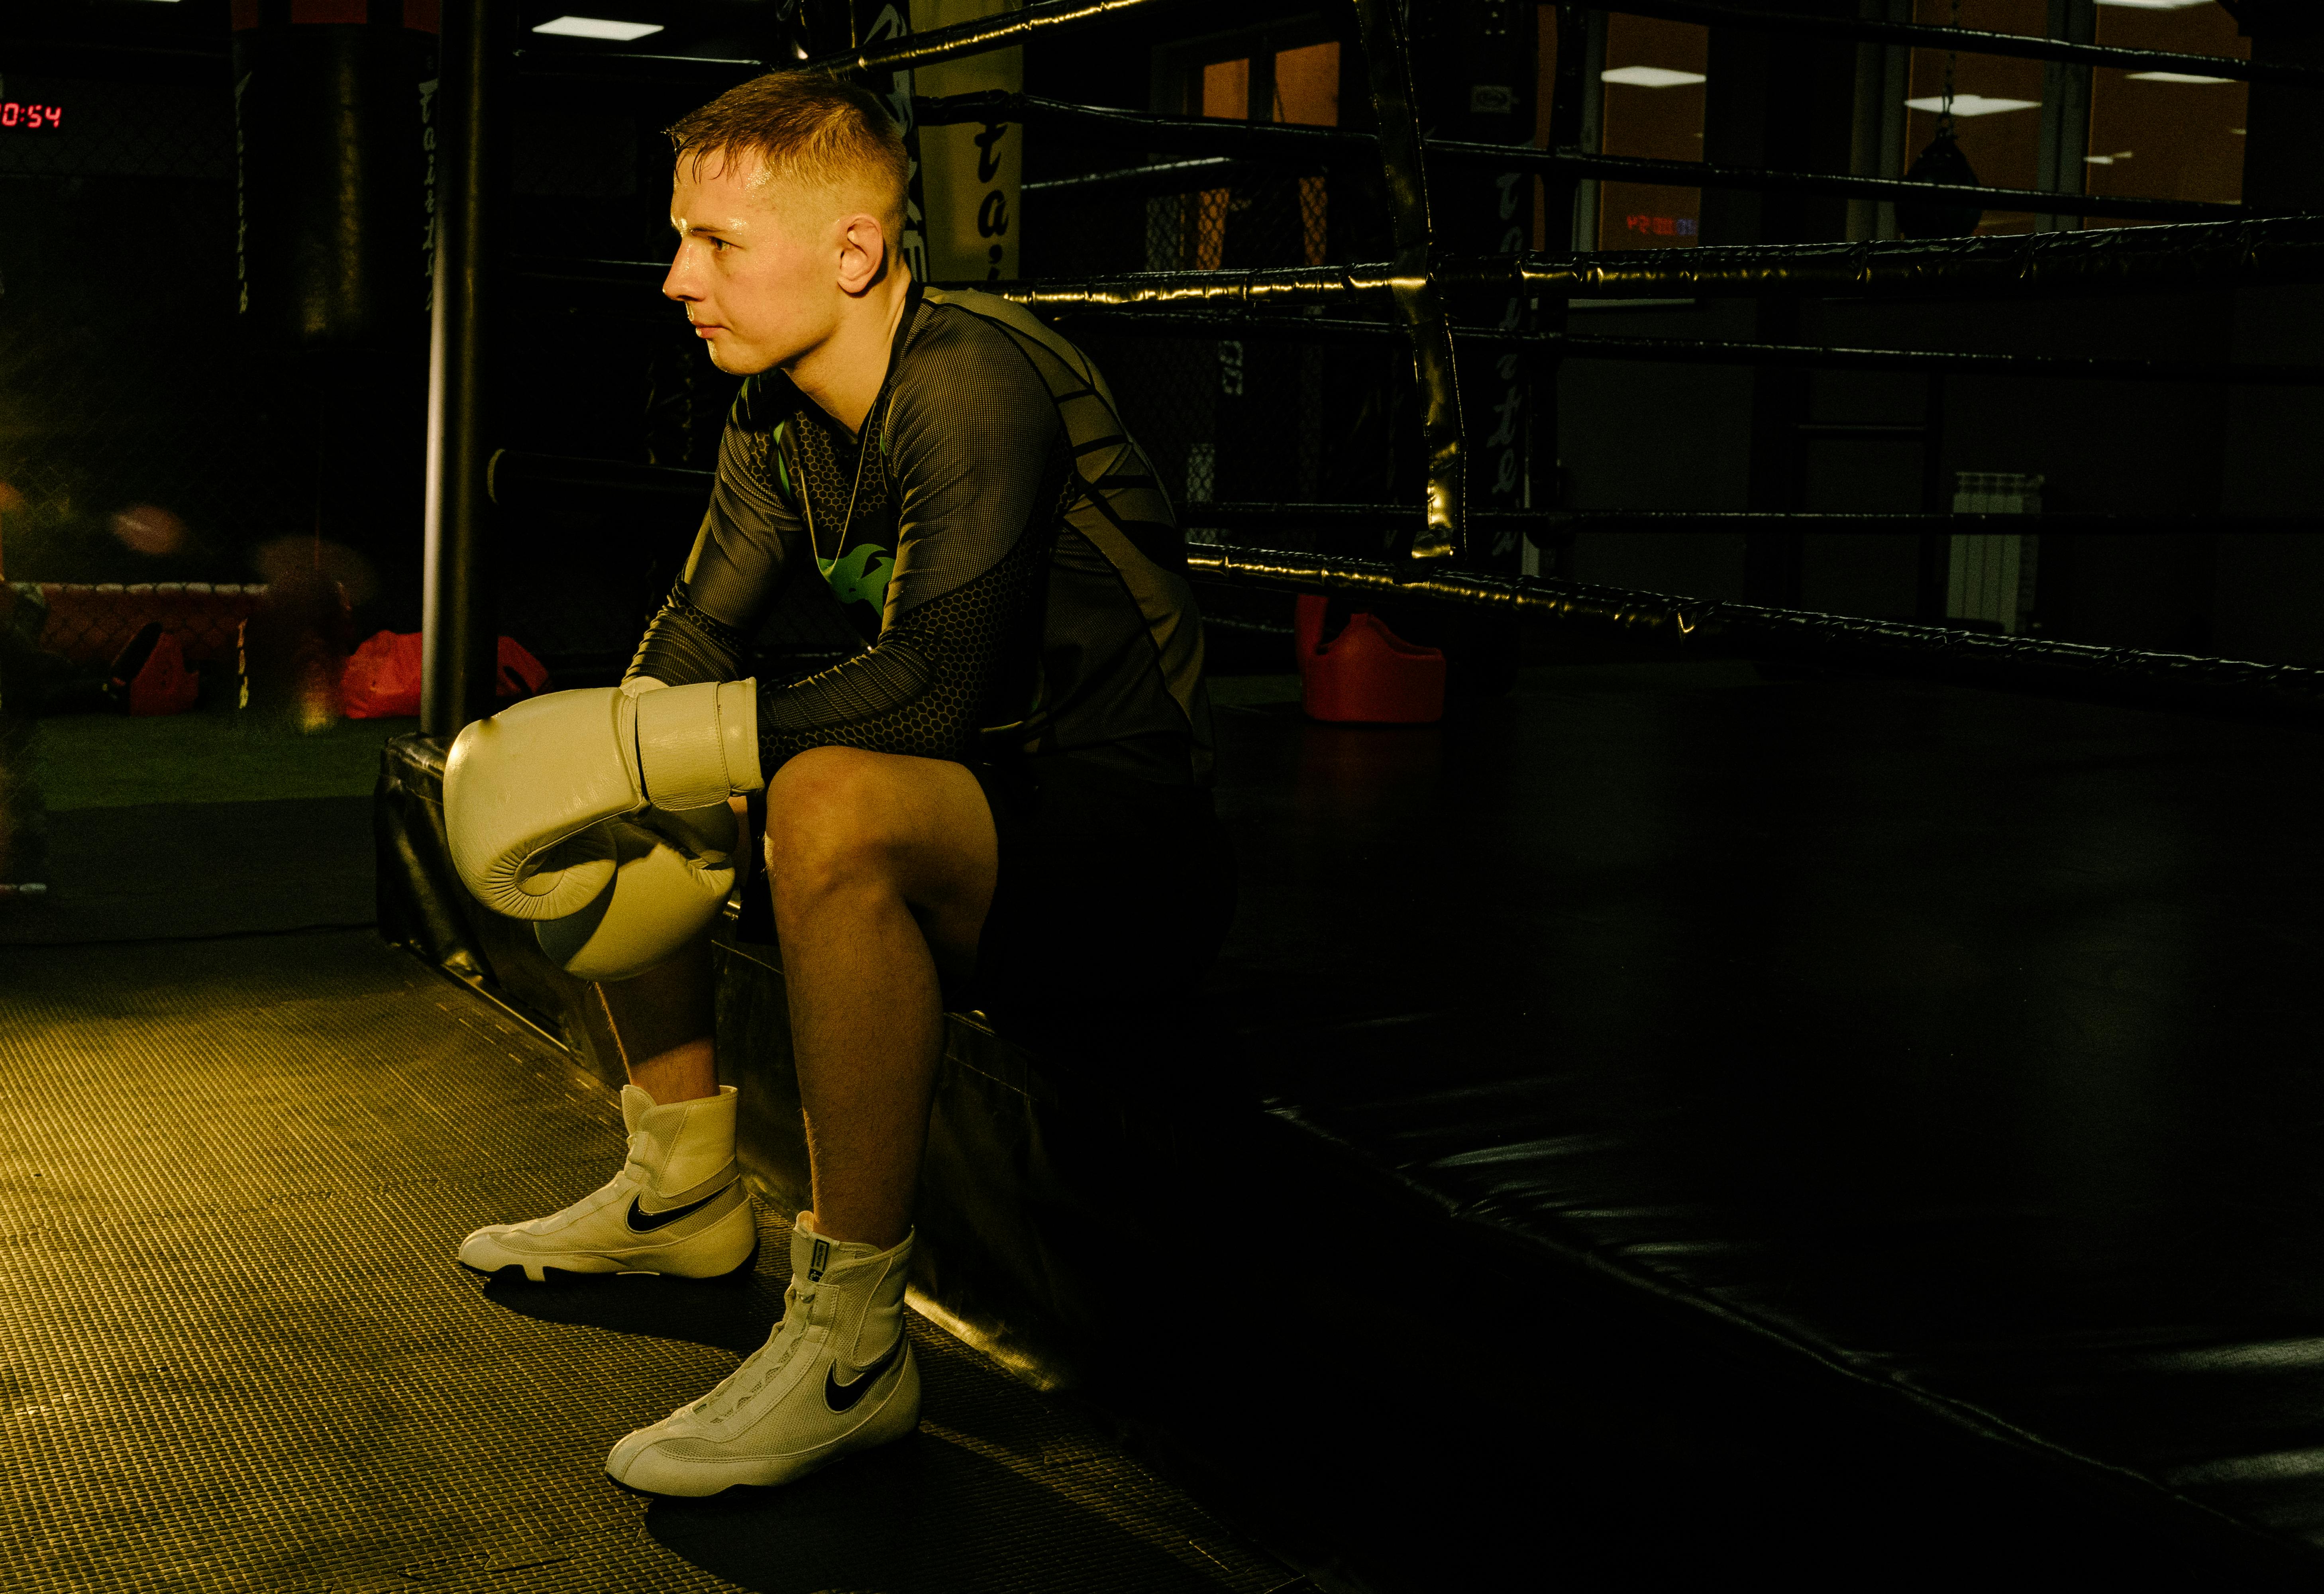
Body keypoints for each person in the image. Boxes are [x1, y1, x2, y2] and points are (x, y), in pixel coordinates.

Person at [438, 70, 1231, 1498]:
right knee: (637, 746)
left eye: (719, 246)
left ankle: (857, 1343)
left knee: (809, 794)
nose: (679, 277)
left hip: (1123, 841)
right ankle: (680, 1184)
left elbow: (935, 688)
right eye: (682, 237)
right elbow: (688, 644)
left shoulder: (973, 386)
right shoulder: (776, 413)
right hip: (980, 806)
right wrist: (607, 745)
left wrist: (635, 745)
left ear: (855, 253)